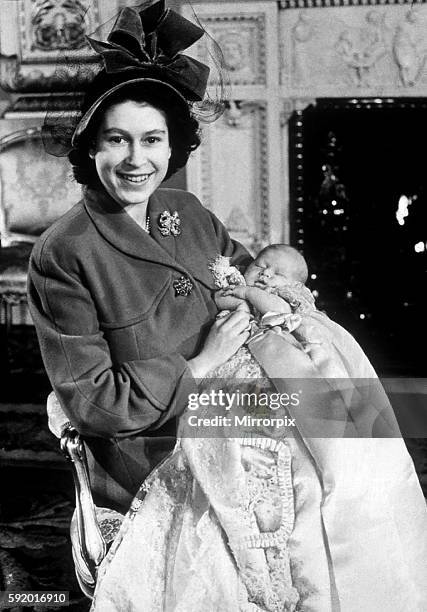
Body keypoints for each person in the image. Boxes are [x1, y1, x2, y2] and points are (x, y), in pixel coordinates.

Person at [89, 246, 427, 610]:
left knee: (319, 440)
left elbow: (286, 315)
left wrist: (253, 294)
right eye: (261, 267)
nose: (266, 275)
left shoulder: (290, 303)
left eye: (279, 273)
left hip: (287, 370)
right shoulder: (233, 288)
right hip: (235, 376)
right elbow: (218, 299)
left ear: (298, 285)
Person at [27, 1, 252, 514]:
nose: (136, 160)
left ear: (173, 148)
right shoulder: (62, 253)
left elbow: (246, 279)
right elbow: (94, 402)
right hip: (150, 461)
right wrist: (200, 366)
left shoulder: (189, 210)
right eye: (117, 140)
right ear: (90, 149)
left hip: (230, 429)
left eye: (152, 140)